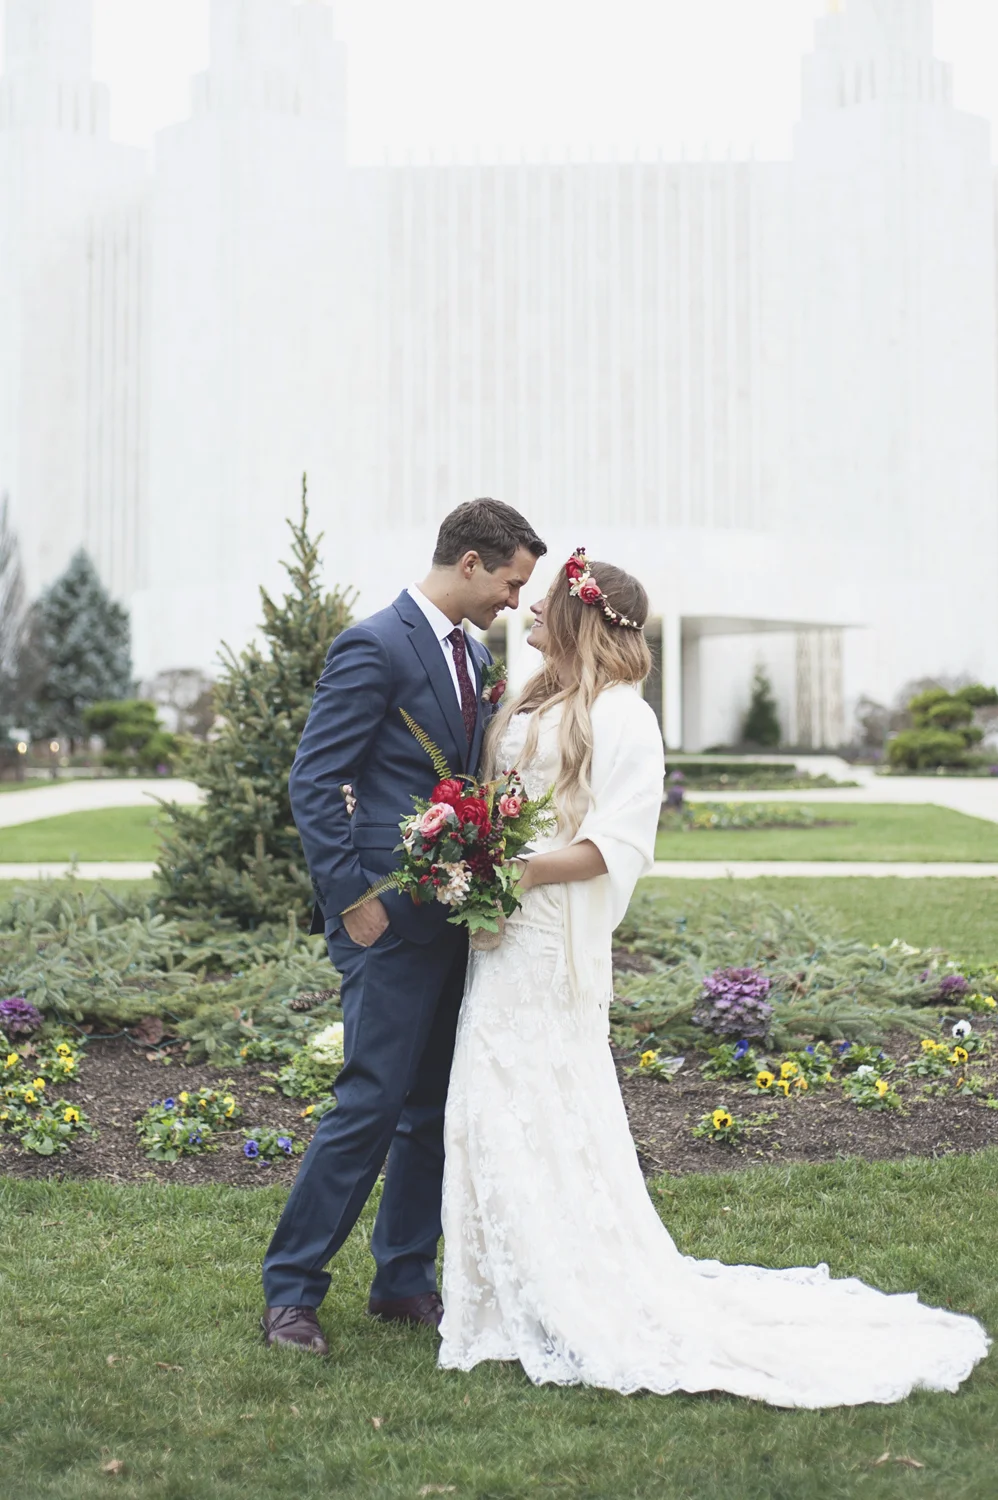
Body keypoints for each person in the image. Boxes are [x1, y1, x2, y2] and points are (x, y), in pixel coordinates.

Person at [438, 547, 990, 1406]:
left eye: (548, 602)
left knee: (542, 1105)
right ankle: (505, 1292)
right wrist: (470, 850)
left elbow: (619, 844)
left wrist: (518, 872)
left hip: (547, 943)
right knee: (487, 1103)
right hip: (500, 940)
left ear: (584, 617)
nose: (530, 611)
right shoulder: (528, 694)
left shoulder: (624, 717)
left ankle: (565, 1291)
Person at [261, 498, 546, 1354]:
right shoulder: (374, 644)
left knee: (428, 1109)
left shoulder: (476, 654)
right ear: (467, 562)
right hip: (384, 921)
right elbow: (316, 780)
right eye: (508, 581)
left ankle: (404, 1280)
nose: (512, 601)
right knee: (369, 1103)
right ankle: (293, 1290)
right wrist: (355, 900)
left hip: (457, 918)